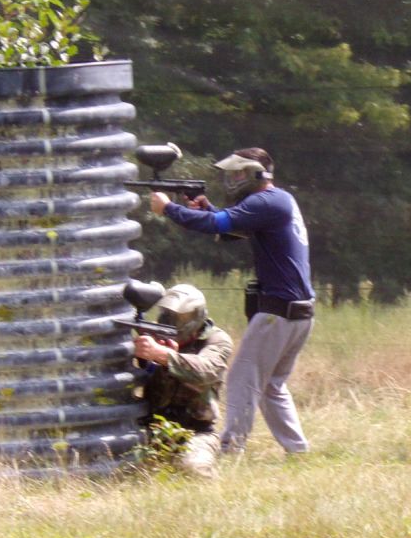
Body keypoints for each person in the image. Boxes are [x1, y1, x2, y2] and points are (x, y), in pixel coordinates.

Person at [150, 147, 315, 456]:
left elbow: (218, 225)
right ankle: (297, 451)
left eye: (239, 173)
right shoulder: (280, 200)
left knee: (243, 377)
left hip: (278, 313)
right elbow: (233, 229)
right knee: (271, 385)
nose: (234, 179)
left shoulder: (265, 201)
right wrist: (206, 208)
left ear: (257, 173)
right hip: (299, 313)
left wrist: (169, 208)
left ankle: (230, 449)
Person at [131, 283, 234, 475]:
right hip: (151, 426)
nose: (171, 322)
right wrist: (141, 353)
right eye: (167, 315)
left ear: (197, 317)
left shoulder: (217, 340)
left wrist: (163, 355)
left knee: (192, 467)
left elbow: (206, 370)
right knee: (115, 458)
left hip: (196, 432)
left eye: (180, 318)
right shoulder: (154, 335)